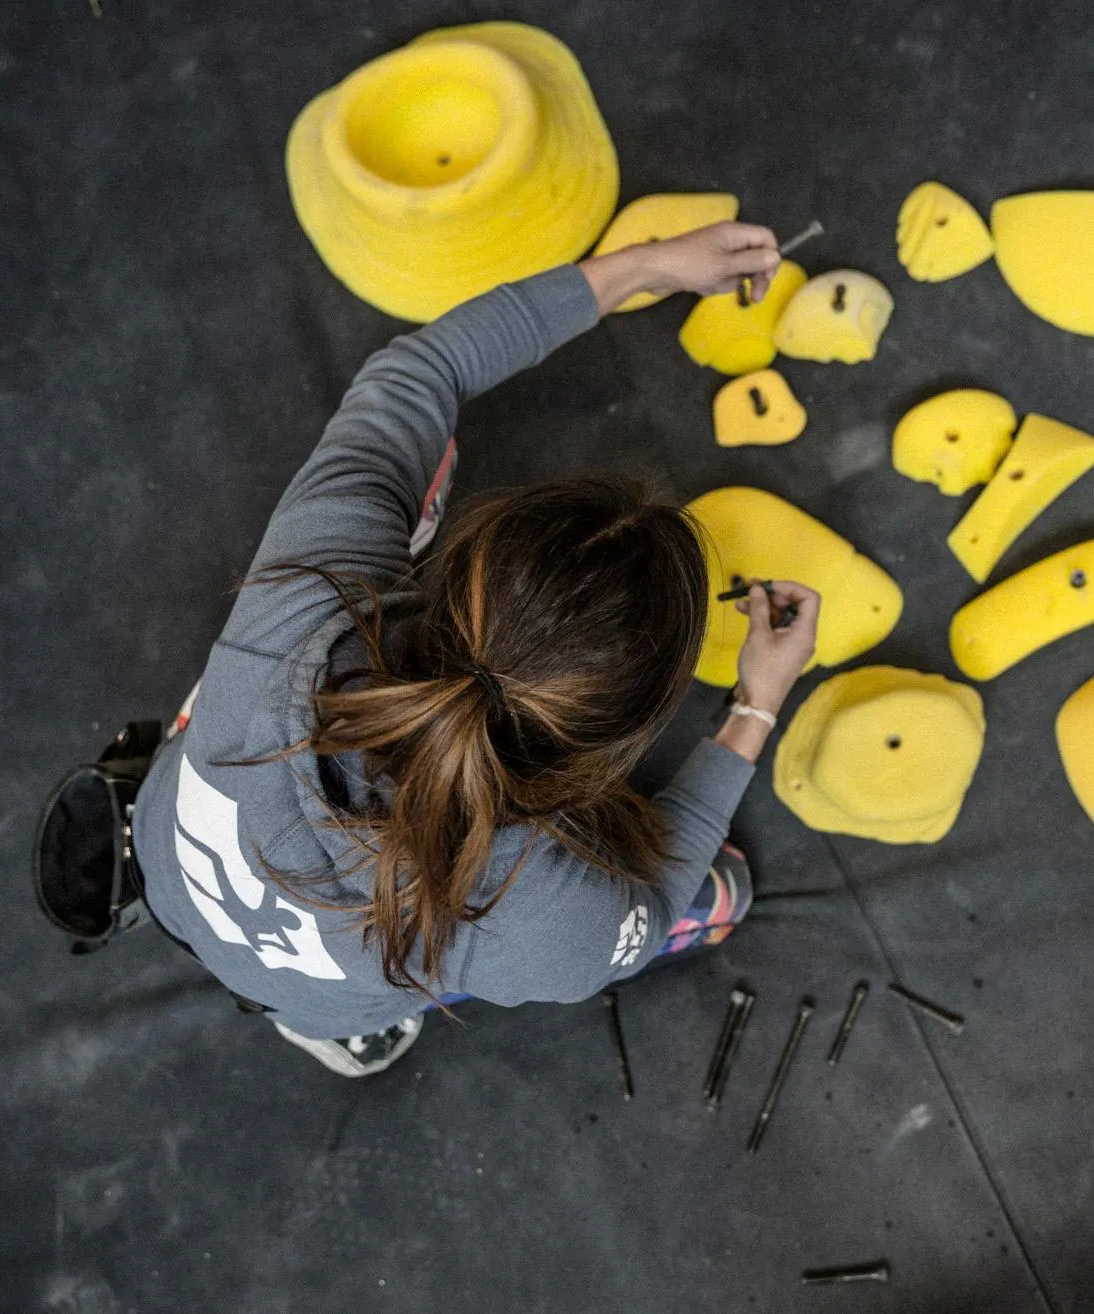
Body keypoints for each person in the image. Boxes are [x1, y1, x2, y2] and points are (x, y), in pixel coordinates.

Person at [129, 223, 822, 1076]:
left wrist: (641, 265)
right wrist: (754, 707)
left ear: (471, 560)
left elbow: (419, 371)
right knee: (712, 896)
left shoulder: (313, 583)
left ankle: (313, 1009)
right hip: (316, 973)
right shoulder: (545, 921)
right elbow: (646, 907)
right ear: (620, 732)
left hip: (167, 858)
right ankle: (329, 1019)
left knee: (406, 448)